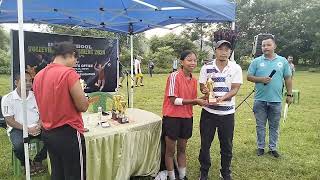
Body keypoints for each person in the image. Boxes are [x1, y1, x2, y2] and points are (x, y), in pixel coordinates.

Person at [33, 42, 89, 180]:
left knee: (58, 172)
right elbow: (83, 106)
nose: (76, 62)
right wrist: (84, 97)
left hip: (48, 132)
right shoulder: (69, 73)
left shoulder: (39, 75)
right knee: (75, 174)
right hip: (68, 132)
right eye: (76, 58)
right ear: (70, 55)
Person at [198, 40, 243, 180]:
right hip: (209, 113)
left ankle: (225, 172)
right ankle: (204, 171)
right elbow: (202, 86)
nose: (224, 52)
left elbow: (235, 89)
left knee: (227, 145)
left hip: (227, 113)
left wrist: (222, 98)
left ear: (230, 52)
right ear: (215, 50)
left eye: (226, 50)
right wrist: (205, 89)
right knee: (205, 144)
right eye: (220, 49)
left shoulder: (236, 68)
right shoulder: (206, 67)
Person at [162, 50, 208, 180]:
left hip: (187, 118)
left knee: (182, 149)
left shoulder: (194, 80)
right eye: (189, 60)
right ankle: (171, 177)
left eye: (194, 60)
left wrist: (204, 98)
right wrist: (196, 101)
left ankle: (182, 176)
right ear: (182, 62)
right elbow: (173, 100)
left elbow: (190, 102)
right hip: (172, 117)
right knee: (170, 151)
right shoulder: (174, 76)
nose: (192, 63)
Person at [247, 35, 293, 158]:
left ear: (274, 46)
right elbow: (249, 77)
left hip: (276, 100)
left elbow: (288, 78)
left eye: (268, 45)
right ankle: (260, 147)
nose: (265, 47)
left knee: (274, 126)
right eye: (263, 45)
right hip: (259, 100)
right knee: (260, 125)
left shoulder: (282, 61)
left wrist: (289, 94)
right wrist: (261, 79)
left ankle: (273, 148)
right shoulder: (256, 61)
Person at [1, 72, 47, 174]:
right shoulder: (8, 98)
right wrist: (27, 129)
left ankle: (38, 160)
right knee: (18, 145)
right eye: (24, 81)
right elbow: (9, 120)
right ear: (16, 82)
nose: (28, 83)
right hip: (18, 128)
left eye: (30, 80)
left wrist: (39, 124)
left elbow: (43, 113)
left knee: (53, 138)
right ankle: (26, 163)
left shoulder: (35, 96)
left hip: (36, 126)